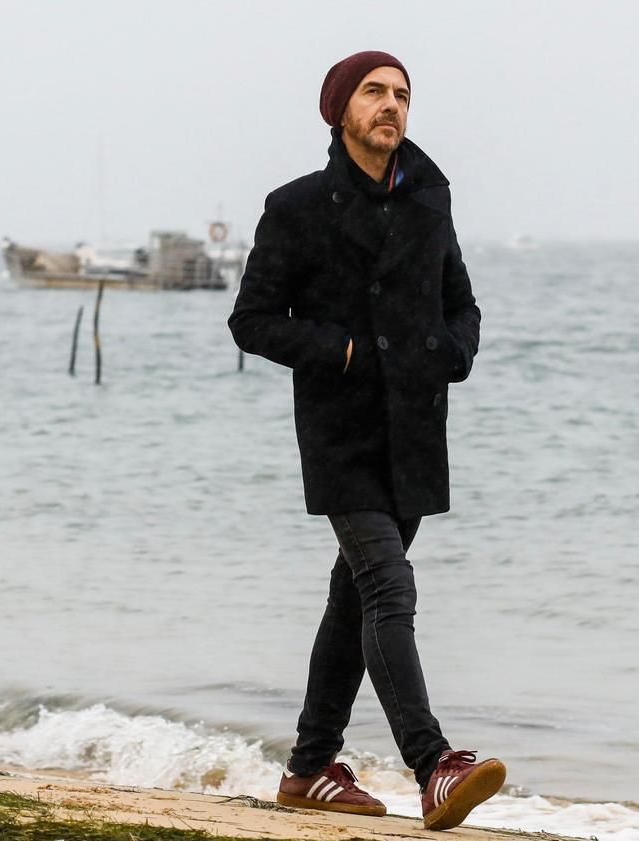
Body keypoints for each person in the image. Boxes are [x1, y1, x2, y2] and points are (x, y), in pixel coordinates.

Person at [227, 51, 505, 831]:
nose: (392, 106)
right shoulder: (296, 207)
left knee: (352, 598)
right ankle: (435, 765)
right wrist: (344, 352)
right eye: (375, 92)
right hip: (340, 430)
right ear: (339, 109)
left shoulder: (431, 199)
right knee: (389, 588)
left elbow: (463, 305)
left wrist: (451, 353)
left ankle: (309, 767)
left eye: (402, 95)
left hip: (415, 428)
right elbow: (251, 320)